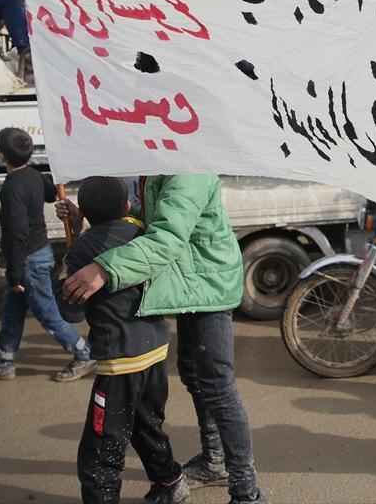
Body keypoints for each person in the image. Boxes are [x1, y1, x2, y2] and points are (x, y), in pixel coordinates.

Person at [60, 175, 266, 504]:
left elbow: (166, 238)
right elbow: (147, 218)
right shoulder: (161, 166)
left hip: (207, 286)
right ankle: (215, 461)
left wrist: (103, 268)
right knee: (195, 375)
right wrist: (85, 221)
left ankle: (247, 493)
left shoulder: (187, 171)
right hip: (189, 283)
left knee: (217, 388)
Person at [57, 177, 188, 504]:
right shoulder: (143, 235)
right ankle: (170, 482)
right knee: (147, 426)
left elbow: (70, 313)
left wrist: (72, 249)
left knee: (101, 451)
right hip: (156, 353)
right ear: (127, 205)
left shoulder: (83, 249)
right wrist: (81, 223)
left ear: (85, 210)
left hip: (119, 365)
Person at [0, 128, 94, 382]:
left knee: (47, 312)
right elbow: (51, 193)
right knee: (11, 311)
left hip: (28, 260)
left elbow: (18, 234)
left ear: (2, 155)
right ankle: (4, 360)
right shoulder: (33, 176)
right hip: (36, 254)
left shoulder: (13, 187)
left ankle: (84, 354)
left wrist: (15, 272)